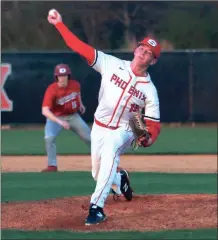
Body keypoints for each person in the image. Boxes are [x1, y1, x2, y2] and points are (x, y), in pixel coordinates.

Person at [47, 9, 161, 225]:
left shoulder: (150, 91)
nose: (143, 53)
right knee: (97, 173)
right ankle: (121, 180)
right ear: (136, 49)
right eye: (142, 48)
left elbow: (154, 123)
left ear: (153, 61)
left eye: (149, 53)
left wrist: (149, 138)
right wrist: (59, 24)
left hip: (125, 128)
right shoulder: (111, 63)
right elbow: (78, 46)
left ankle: (96, 208)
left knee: (110, 153)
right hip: (99, 126)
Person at [41, 63, 91, 172]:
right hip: (55, 117)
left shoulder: (75, 85)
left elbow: (78, 94)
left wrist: (80, 104)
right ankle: (52, 165)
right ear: (56, 77)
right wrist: (59, 121)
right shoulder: (52, 89)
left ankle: (103, 163)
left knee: (91, 138)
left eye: (65, 76)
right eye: (60, 76)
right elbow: (45, 111)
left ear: (68, 76)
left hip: (73, 116)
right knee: (49, 138)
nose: (63, 78)